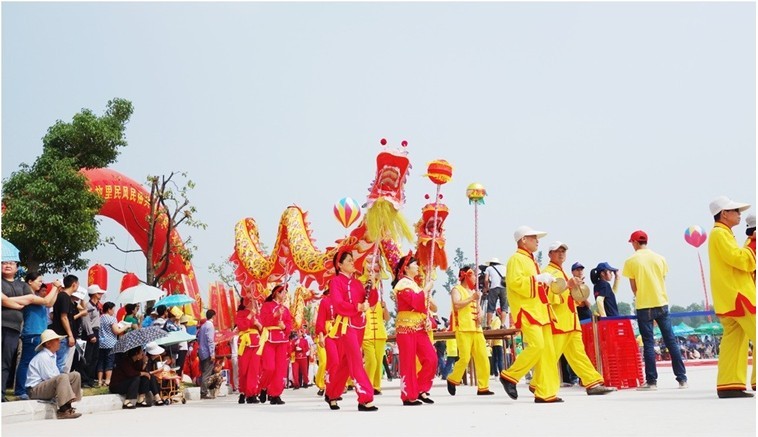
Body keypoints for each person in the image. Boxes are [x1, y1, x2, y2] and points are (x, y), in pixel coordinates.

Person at [498, 225, 561, 403]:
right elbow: (515, 283)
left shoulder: (531, 260)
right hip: (528, 310)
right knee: (537, 346)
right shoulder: (516, 259)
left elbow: (533, 285)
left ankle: (545, 392)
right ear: (524, 240)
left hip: (540, 310)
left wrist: (545, 281)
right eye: (533, 238)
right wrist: (537, 279)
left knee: (547, 352)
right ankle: (510, 376)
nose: (537, 241)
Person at [544, 241, 615, 396]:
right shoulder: (548, 273)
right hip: (560, 322)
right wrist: (568, 286)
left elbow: (570, 297)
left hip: (570, 321)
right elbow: (547, 296)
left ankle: (592, 382)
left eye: (563, 251)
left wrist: (575, 291)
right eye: (557, 251)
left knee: (578, 354)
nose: (561, 254)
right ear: (550, 254)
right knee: (551, 355)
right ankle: (538, 383)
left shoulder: (561, 272)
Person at [622, 230, 688, 391]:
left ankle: (651, 381)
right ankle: (682, 379)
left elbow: (634, 287)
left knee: (648, 343)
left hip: (644, 305)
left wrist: (641, 295)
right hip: (661, 302)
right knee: (671, 341)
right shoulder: (660, 258)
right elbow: (662, 279)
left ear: (635, 242)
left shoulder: (631, 261)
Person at [707, 196, 755, 398]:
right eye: (735, 210)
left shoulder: (721, 234)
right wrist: (753, 246)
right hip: (739, 295)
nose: (739, 214)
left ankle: (729, 384)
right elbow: (738, 259)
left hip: (729, 296)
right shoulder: (720, 234)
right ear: (724, 214)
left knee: (734, 341)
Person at [324, 250, 378, 411]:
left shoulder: (357, 283)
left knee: (346, 363)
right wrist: (358, 307)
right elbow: (338, 304)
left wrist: (372, 285)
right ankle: (365, 398)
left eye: (352, 260)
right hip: (346, 326)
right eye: (348, 260)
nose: (352, 262)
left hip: (359, 326)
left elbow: (371, 301)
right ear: (339, 265)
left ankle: (332, 393)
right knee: (356, 360)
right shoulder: (336, 282)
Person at [392, 254, 437, 406]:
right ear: (406, 268)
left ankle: (420, 388)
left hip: (419, 327)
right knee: (408, 362)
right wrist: (426, 289)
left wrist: (428, 319)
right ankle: (408, 395)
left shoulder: (414, 285)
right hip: (406, 328)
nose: (418, 267)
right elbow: (415, 302)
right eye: (415, 264)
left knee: (431, 358)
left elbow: (424, 307)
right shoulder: (402, 284)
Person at [13, 273, 61, 400]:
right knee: (26, 362)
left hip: (40, 333)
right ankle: (20, 390)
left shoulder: (37, 297)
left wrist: (56, 290)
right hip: (32, 333)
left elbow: (49, 303)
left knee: (34, 361)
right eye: (39, 281)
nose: (41, 283)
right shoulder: (28, 296)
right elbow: (47, 301)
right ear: (30, 282)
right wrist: (54, 287)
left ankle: (29, 388)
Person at [446, 266, 493, 396]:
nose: (475, 278)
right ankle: (453, 378)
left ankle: (483, 387)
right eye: (473, 275)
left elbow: (479, 310)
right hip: (463, 328)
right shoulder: (456, 289)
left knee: (483, 358)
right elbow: (456, 304)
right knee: (464, 358)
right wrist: (472, 298)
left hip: (477, 329)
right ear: (466, 276)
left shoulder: (474, 292)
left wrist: (480, 315)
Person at [26, 329, 82, 419]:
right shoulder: (43, 357)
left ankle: (68, 405)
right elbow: (48, 377)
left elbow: (55, 376)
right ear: (48, 343)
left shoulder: (52, 356)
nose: (59, 342)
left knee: (75, 375)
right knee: (62, 377)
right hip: (34, 390)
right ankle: (63, 410)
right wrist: (67, 386)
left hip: (45, 385)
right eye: (56, 340)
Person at [1, 255, 31, 400]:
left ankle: (1, 393)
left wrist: (7, 300)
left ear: (17, 268)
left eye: (11, 263)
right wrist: (17, 304)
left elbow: (29, 299)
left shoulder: (22, 285)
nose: (7, 265)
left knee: (6, 361)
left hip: (14, 328)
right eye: (4, 263)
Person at [257, 284, 292, 405]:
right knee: (269, 367)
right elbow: (263, 321)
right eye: (283, 292)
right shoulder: (267, 306)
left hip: (282, 341)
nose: (285, 294)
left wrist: (284, 326)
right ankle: (263, 387)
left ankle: (275, 394)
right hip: (269, 339)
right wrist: (275, 315)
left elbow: (289, 325)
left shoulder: (285, 309)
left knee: (280, 369)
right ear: (277, 293)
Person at [362, 265, 390, 395]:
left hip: (380, 335)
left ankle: (376, 386)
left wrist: (385, 308)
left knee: (379, 361)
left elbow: (387, 318)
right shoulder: (363, 303)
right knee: (370, 361)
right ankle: (368, 384)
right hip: (366, 335)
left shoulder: (381, 303)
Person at [49, 275, 84, 373]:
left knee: (60, 362)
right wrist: (70, 335)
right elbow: (64, 317)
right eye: (78, 284)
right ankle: (58, 381)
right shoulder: (64, 297)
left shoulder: (64, 297)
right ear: (74, 284)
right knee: (61, 363)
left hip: (61, 334)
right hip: (62, 335)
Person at [236, 299, 262, 404]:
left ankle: (252, 393)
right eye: (252, 301)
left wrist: (258, 324)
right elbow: (241, 326)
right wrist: (250, 315)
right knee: (243, 369)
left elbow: (263, 330)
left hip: (256, 343)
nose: (254, 303)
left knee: (254, 369)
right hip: (244, 343)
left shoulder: (258, 314)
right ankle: (243, 392)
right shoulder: (240, 314)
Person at [80, 284, 106, 388]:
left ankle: (90, 379)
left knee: (95, 357)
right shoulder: (88, 306)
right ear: (94, 294)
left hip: (96, 331)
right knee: (88, 357)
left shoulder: (97, 306)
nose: (101, 294)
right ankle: (84, 380)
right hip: (89, 332)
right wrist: (90, 334)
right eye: (99, 293)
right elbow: (86, 321)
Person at [98, 302, 127, 387]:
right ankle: (107, 380)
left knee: (101, 362)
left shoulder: (100, 318)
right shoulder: (112, 319)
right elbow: (116, 331)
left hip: (101, 343)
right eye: (113, 309)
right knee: (109, 362)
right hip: (110, 343)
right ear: (109, 309)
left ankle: (99, 380)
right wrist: (125, 327)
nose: (114, 311)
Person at [314, 287, 336, 397]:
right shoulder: (323, 302)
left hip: (337, 332)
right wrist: (321, 335)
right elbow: (318, 320)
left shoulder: (340, 301)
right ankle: (320, 384)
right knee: (324, 361)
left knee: (336, 361)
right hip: (324, 333)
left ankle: (334, 385)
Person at [197, 309, 217, 400]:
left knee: (204, 371)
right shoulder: (210, 326)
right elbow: (210, 340)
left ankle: (203, 390)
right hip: (207, 352)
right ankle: (203, 392)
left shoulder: (203, 326)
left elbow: (198, 338)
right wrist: (212, 353)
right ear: (213, 316)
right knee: (207, 373)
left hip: (201, 351)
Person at [484, 257, 508, 328]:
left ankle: (488, 325)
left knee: (491, 307)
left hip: (494, 288)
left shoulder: (489, 268)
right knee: (504, 307)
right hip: (504, 288)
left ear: (491, 263)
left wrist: (487, 288)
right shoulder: (504, 267)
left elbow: (486, 280)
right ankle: (502, 324)